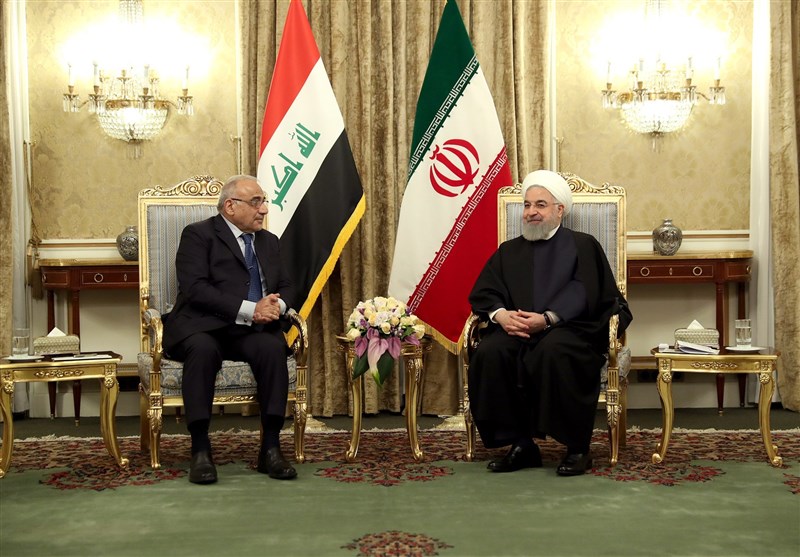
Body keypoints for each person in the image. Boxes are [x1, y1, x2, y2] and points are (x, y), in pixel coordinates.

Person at [468, 169, 632, 476]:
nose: (531, 212)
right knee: (492, 352)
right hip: (516, 329)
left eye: (540, 205)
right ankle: (521, 446)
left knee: (554, 350)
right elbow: (486, 291)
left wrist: (547, 319)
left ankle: (578, 449)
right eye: (527, 205)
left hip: (569, 328)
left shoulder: (583, 245)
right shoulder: (509, 251)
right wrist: (502, 316)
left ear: (560, 210)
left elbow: (588, 291)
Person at [163, 174, 297, 484]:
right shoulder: (198, 235)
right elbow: (195, 289)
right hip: (203, 326)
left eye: (264, 201)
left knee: (272, 348)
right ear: (230, 206)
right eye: (256, 202)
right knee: (203, 350)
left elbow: (288, 285)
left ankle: (271, 448)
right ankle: (200, 449)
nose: (264, 209)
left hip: (249, 331)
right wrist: (251, 309)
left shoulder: (269, 241)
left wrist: (276, 306)